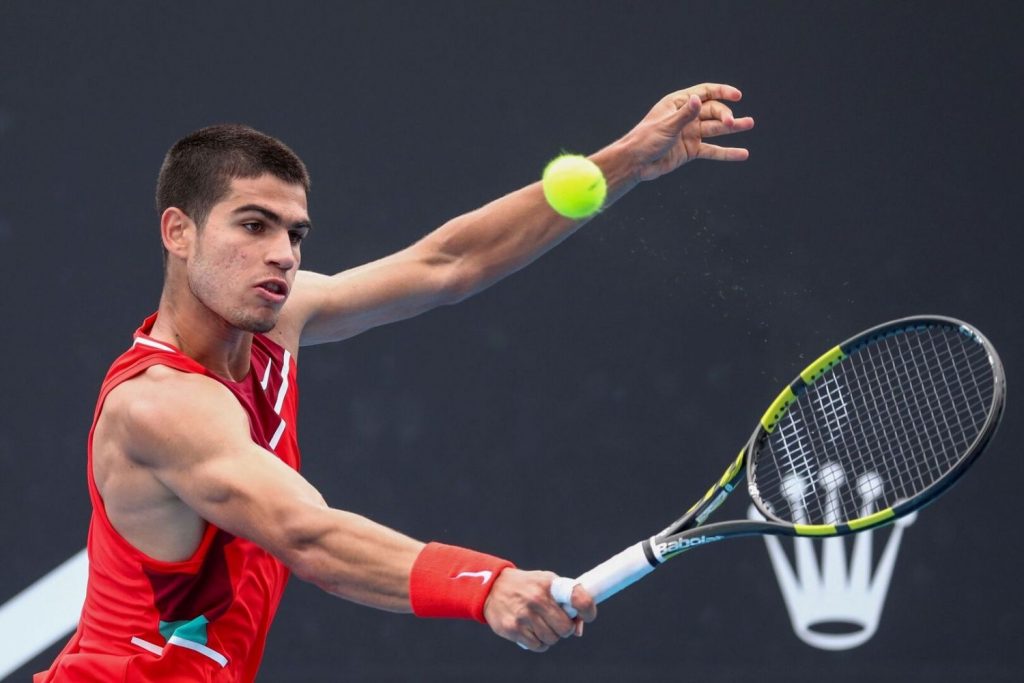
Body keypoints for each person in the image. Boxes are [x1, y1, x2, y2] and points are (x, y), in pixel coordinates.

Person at [36, 83, 753, 682]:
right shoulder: (160, 405)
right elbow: (306, 533)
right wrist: (484, 583)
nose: (282, 254)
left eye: (294, 233)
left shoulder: (277, 322)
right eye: (253, 225)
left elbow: (447, 263)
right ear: (178, 231)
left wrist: (623, 161)